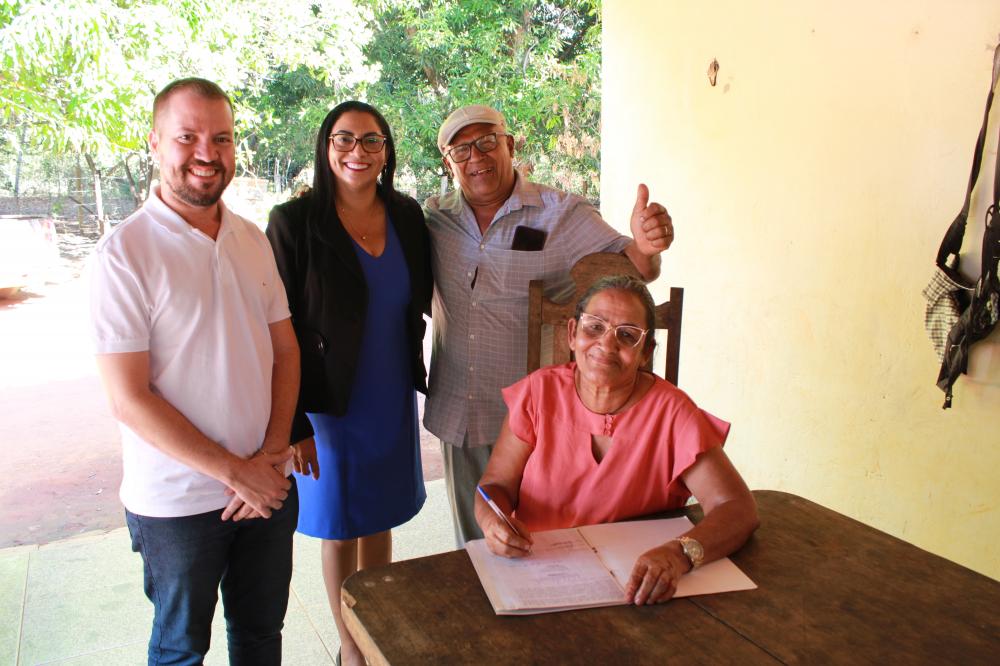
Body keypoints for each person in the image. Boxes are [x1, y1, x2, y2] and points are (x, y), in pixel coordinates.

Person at [89, 78, 299, 665]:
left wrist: (272, 453)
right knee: (182, 647)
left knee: (261, 637)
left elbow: (285, 351)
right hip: (177, 505)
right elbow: (128, 399)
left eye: (222, 138)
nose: (207, 153)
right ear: (155, 143)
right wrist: (236, 472)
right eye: (187, 137)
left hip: (266, 484)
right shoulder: (124, 255)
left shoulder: (252, 239)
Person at [424, 104, 675, 546]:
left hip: (534, 417)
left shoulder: (559, 214)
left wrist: (647, 245)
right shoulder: (434, 218)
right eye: (460, 151)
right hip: (461, 409)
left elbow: (634, 268)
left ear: (510, 145)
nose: (476, 158)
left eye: (486, 142)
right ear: (448, 163)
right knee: (475, 545)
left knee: (548, 541)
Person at [475, 275, 759, 605]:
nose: (607, 345)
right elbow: (495, 484)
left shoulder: (672, 413)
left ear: (645, 352)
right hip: (539, 575)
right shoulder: (538, 393)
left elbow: (737, 508)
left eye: (627, 335)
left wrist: (678, 555)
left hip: (638, 590)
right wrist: (491, 521)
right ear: (572, 334)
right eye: (594, 327)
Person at [266, 101, 432, 666]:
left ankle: (376, 633)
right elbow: (276, 327)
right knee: (339, 525)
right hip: (327, 406)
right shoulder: (293, 222)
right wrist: (293, 424)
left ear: (386, 151)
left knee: (380, 518)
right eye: (344, 139)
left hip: (389, 392)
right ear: (325, 146)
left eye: (371, 140)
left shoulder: (407, 216)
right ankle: (350, 650)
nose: (357, 151)